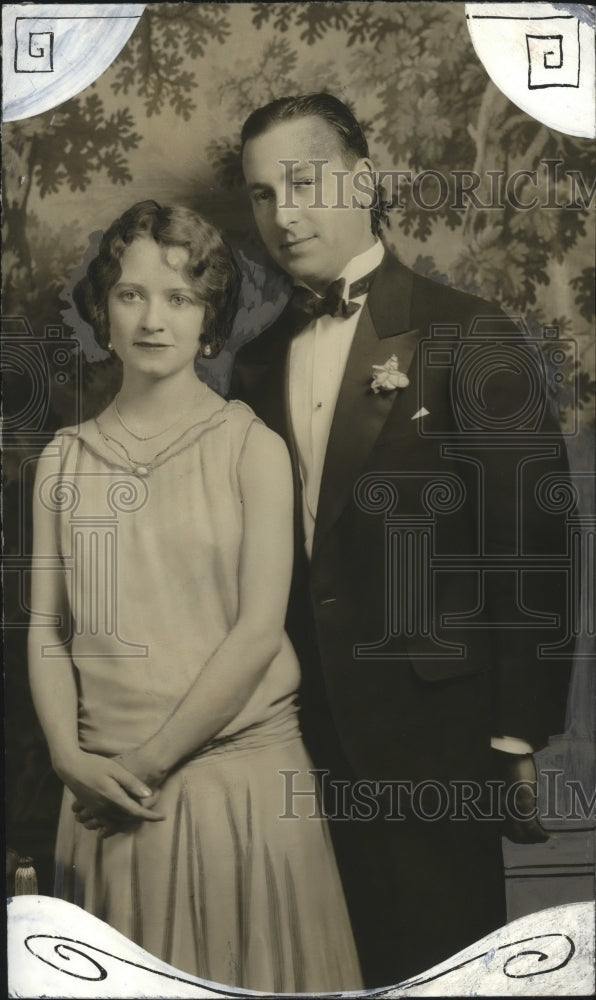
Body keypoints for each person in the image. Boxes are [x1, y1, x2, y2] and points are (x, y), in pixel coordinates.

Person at [230, 94, 574, 986]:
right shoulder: (257, 363)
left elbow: (533, 543)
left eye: (301, 183)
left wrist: (514, 737)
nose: (284, 214)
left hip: (438, 740)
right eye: (264, 195)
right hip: (293, 741)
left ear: (364, 177)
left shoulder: (469, 332)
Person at [28, 200, 362, 992]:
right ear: (102, 311)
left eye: (180, 298)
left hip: (237, 790)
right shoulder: (62, 461)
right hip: (102, 798)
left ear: (209, 320)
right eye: (132, 294)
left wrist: (143, 765)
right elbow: (46, 627)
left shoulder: (253, 448)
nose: (154, 319)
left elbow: (254, 635)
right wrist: (72, 762)